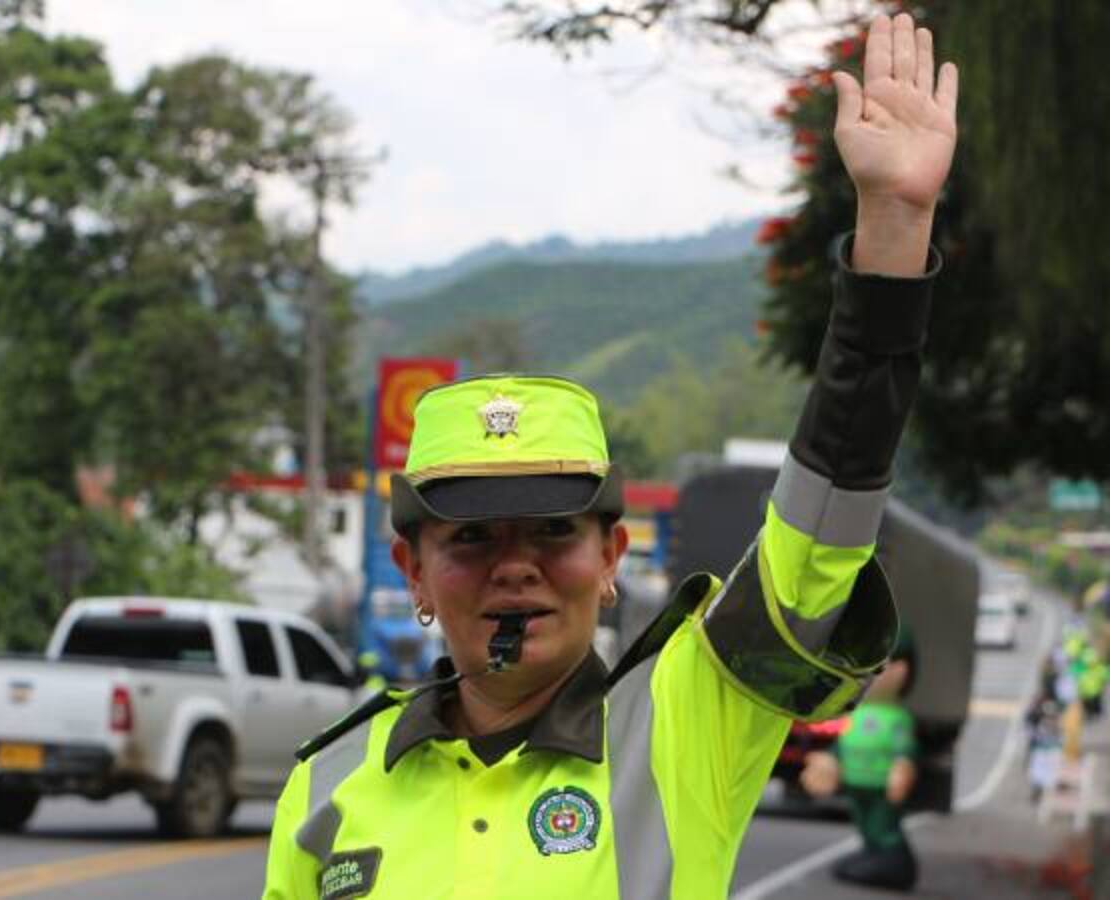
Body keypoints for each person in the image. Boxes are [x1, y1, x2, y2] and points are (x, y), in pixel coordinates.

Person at [263, 12, 958, 899]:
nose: (516, 567)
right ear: (414, 571)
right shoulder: (326, 785)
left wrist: (894, 233)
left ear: (611, 558)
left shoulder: (686, 722)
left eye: (554, 530)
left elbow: (818, 536)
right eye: (471, 540)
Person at [800, 628, 920, 891]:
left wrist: (902, 768)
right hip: (856, 785)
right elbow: (841, 746)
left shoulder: (897, 719)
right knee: (864, 822)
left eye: (883, 667)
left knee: (882, 824)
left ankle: (893, 858)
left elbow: (905, 750)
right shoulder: (855, 714)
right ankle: (872, 853)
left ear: (902, 671)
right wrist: (829, 763)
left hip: (880, 789)